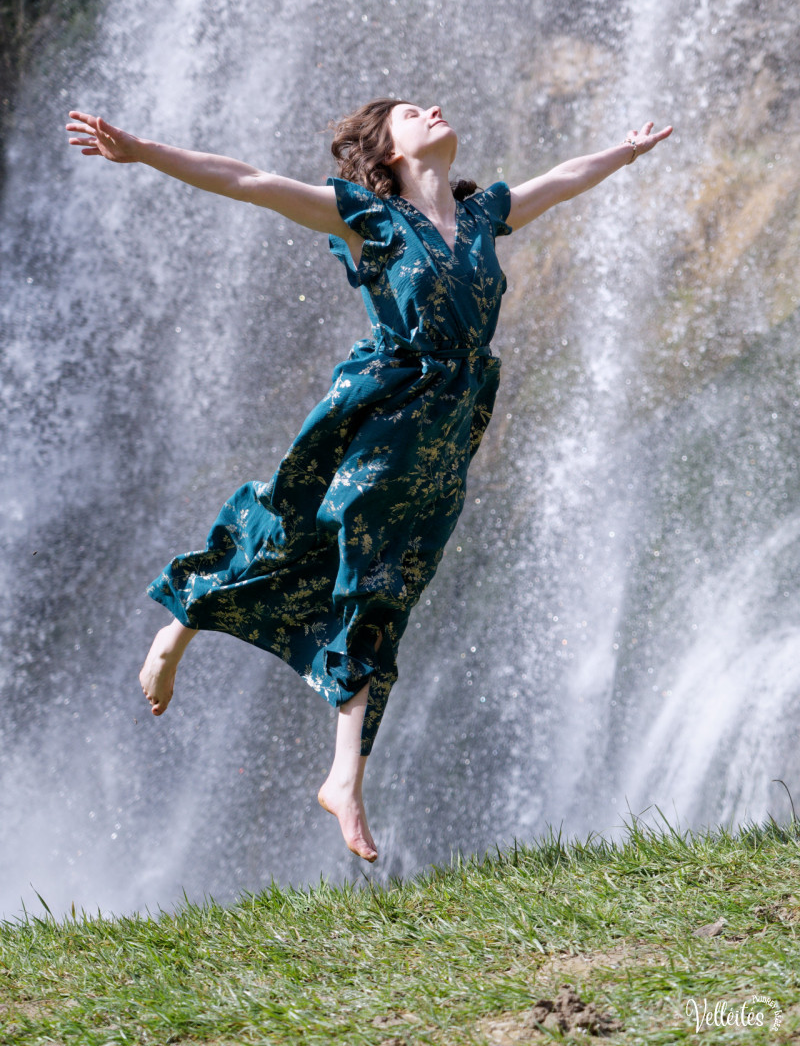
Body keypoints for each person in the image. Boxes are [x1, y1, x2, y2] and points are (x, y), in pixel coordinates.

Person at [65, 99, 672, 863]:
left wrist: (624, 151)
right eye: (414, 112)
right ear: (384, 153)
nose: (435, 110)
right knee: (308, 536)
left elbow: (562, 179)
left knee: (391, 583)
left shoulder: (486, 214)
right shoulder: (367, 216)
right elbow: (250, 180)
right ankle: (179, 626)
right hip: (380, 408)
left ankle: (343, 776)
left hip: (449, 426)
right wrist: (144, 151)